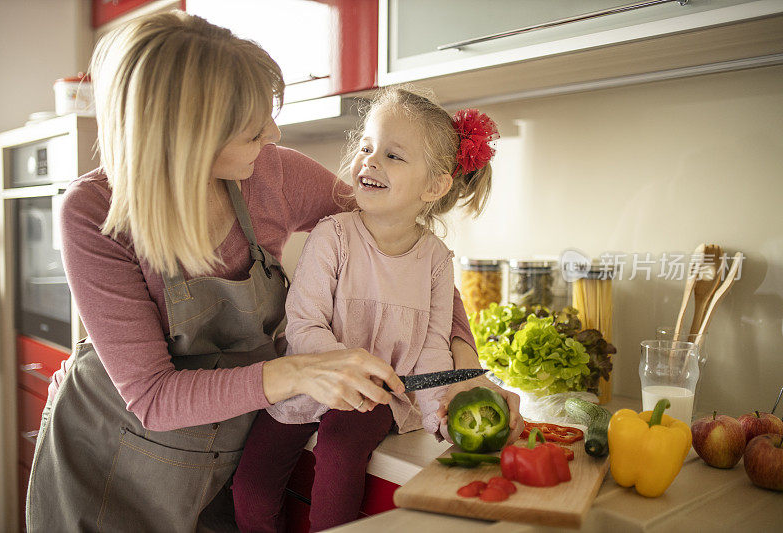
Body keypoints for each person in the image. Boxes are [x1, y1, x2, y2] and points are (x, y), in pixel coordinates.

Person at [26, 11, 522, 532]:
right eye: (253, 128)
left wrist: (465, 374)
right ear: (189, 135)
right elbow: (152, 396)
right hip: (113, 459)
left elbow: (405, 253)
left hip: (230, 453)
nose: (274, 134)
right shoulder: (93, 212)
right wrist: (302, 372)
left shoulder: (273, 174)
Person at [231, 88, 506, 532]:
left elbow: (432, 352)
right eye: (366, 147)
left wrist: (445, 410)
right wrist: (342, 369)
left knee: (341, 446)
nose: (370, 161)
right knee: (251, 493)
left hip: (374, 398)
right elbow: (305, 324)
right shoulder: (333, 235)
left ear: (434, 185)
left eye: (393, 156)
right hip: (306, 384)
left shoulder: (435, 259)